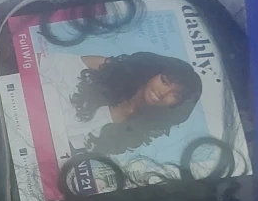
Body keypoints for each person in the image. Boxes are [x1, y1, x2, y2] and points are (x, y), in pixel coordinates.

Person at [37, 51, 203, 155]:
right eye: (164, 81)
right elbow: (43, 63)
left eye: (174, 95)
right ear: (154, 72)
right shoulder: (104, 69)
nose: (162, 92)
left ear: (176, 105)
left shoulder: (130, 134)